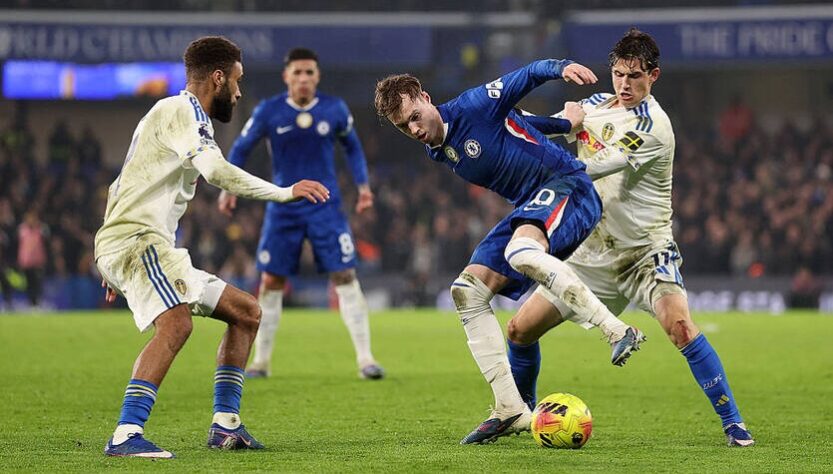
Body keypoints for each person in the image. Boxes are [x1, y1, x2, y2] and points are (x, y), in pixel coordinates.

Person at [374, 59, 645, 445]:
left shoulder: (474, 104)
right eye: (404, 127)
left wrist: (561, 67)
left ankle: (616, 330)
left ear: (426, 98)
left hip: (568, 187)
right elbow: (518, 123)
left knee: (521, 251)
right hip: (531, 206)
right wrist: (563, 124)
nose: (414, 129)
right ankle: (510, 408)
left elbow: (527, 76)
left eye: (415, 116)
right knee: (466, 292)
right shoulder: (438, 148)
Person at [506, 28, 755, 447]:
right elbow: (542, 127)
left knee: (680, 327)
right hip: (591, 252)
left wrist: (560, 134)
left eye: (635, 76)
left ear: (653, 75)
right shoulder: (593, 105)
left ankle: (734, 424)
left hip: (644, 253)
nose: (624, 84)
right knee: (519, 330)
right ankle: (522, 412)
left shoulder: (654, 126)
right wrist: (506, 118)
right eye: (619, 74)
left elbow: (594, 167)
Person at [95, 36, 330, 458]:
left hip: (137, 244)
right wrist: (284, 192)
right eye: (237, 81)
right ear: (218, 78)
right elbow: (215, 171)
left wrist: (110, 260)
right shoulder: (185, 110)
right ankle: (126, 433)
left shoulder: (169, 114)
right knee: (177, 324)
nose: (238, 92)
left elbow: (119, 185)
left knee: (247, 312)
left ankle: (226, 425)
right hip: (138, 241)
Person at [219, 47, 384, 380]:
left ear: (317, 76)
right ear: (286, 76)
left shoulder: (334, 109)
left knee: (344, 275)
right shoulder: (269, 111)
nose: (304, 78)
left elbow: (353, 148)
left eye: (309, 72)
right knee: (271, 280)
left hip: (326, 206)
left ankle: (366, 359)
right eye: (297, 72)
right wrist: (227, 187)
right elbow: (241, 147)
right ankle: (261, 361)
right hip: (283, 207)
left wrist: (363, 187)